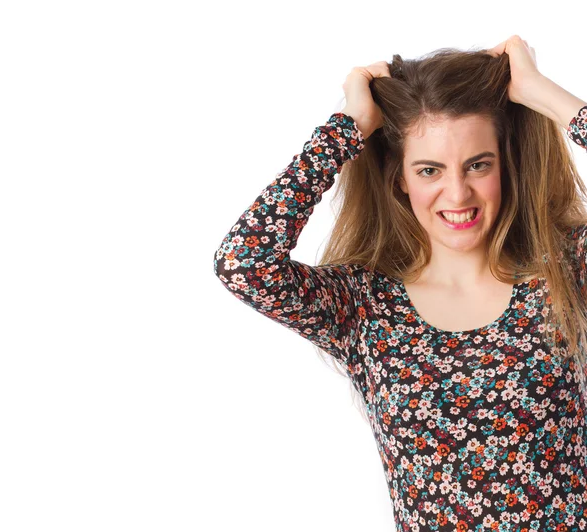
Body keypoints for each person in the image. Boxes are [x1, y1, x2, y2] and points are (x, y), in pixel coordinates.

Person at [213, 35, 587, 530]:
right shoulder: (362, 303)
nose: (458, 192)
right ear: (400, 179)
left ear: (505, 165)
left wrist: (543, 94)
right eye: (429, 169)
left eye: (479, 164)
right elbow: (244, 263)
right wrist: (342, 133)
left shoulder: (566, 269)